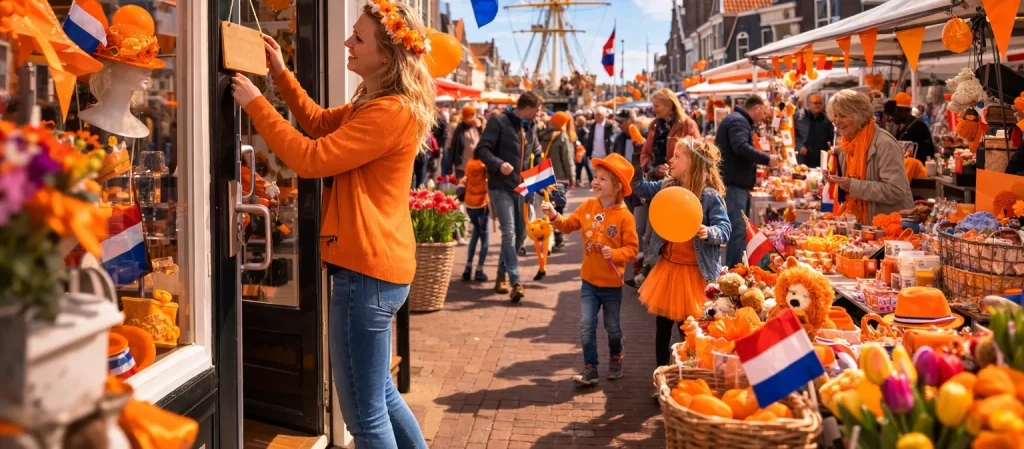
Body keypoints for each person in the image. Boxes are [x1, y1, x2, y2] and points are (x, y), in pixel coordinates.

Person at [229, 2, 430, 447]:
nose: (346, 42)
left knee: (365, 417)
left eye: (359, 38)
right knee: (381, 396)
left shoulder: (388, 111)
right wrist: (281, 73)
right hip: (378, 268)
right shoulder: (379, 103)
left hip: (367, 273)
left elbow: (310, 158)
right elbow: (319, 125)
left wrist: (256, 102)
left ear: (388, 55)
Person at [632, 138, 731, 367]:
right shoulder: (669, 187)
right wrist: (638, 159)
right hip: (668, 270)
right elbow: (640, 188)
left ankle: (686, 371)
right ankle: (662, 371)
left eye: (677, 156)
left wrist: (709, 231)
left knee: (689, 330)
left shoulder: (709, 196)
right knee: (662, 327)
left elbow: (725, 228)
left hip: (695, 274)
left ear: (693, 163)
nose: (671, 160)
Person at [541, 153, 639, 385]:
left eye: (602, 179)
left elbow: (633, 250)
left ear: (617, 187)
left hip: (612, 285)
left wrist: (614, 254)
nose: (595, 182)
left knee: (612, 328)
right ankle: (590, 368)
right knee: (586, 325)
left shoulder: (625, 217)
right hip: (589, 282)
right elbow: (567, 226)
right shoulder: (587, 206)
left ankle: (616, 356)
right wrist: (553, 215)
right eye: (595, 176)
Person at [475, 92, 544, 302]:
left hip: (524, 187)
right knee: (509, 232)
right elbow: (482, 150)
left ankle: (501, 273)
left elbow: (537, 151)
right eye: (538, 110)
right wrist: (498, 164)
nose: (540, 115)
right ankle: (515, 280)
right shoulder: (499, 122)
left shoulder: (532, 126)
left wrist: (541, 177)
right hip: (501, 186)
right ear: (528, 108)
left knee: (522, 233)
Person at [823, 89, 914, 222]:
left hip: (889, 228)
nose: (837, 121)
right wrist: (834, 173)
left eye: (843, 116)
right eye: (834, 116)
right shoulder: (846, 144)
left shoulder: (884, 143)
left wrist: (851, 184)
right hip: (863, 225)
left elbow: (895, 191)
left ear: (860, 116)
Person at [716, 95, 779, 266]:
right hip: (734, 183)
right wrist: (767, 159)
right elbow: (741, 147)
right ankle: (735, 271)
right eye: (764, 112)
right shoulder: (739, 122)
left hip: (734, 182)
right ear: (756, 108)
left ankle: (736, 268)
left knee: (738, 229)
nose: (765, 116)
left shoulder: (737, 120)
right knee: (737, 230)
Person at [640, 88, 701, 180]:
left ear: (669, 106)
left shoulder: (687, 125)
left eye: (656, 106)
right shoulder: (655, 126)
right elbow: (645, 154)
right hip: (658, 183)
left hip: (682, 182)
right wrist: (653, 169)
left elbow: (698, 154)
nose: (653, 110)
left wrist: (674, 170)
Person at [538, 111, 575, 253]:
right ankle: (557, 240)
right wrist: (572, 177)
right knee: (558, 209)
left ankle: (547, 238)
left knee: (547, 207)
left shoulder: (543, 135)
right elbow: (567, 159)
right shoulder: (562, 137)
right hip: (560, 177)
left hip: (545, 176)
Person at [460, 156, 490, 282]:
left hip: (470, 204)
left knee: (475, 235)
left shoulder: (469, 163)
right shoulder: (484, 165)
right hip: (482, 205)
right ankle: (479, 269)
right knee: (485, 240)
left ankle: (468, 268)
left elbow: (465, 179)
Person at [888, 92, 936, 164]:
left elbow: (929, 153)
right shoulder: (900, 127)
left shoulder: (920, 127)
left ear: (903, 110)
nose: (893, 116)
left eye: (895, 111)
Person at [795, 94, 834, 168]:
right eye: (815, 103)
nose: (818, 105)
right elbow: (793, 134)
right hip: (802, 156)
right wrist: (799, 146)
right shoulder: (800, 116)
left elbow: (831, 137)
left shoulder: (826, 119)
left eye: (820, 103)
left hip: (819, 158)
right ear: (809, 104)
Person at [445, 105, 482, 179]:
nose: (473, 118)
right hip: (462, 166)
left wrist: (480, 127)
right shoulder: (459, 129)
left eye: (474, 115)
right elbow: (453, 147)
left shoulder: (477, 127)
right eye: (471, 115)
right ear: (465, 116)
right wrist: (449, 166)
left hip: (476, 165)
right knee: (461, 187)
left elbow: (484, 142)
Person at [575, 115, 593, 184]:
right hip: (584, 149)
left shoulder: (580, 129)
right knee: (585, 166)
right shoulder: (586, 129)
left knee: (582, 166)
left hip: (580, 149)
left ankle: (578, 179)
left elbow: (579, 140)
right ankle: (587, 179)